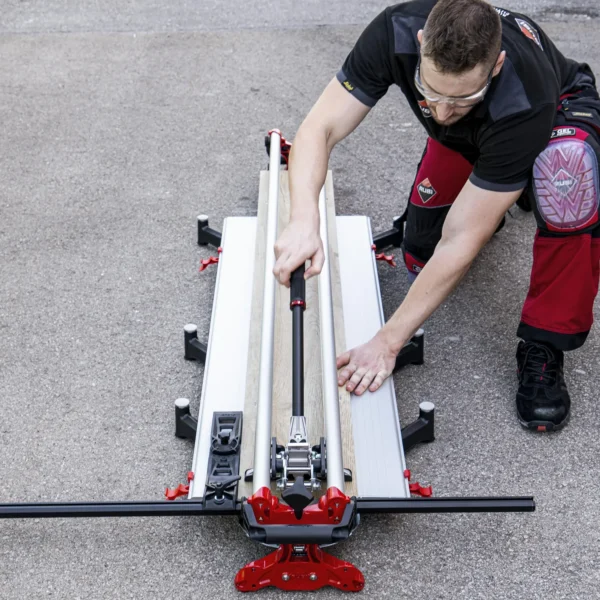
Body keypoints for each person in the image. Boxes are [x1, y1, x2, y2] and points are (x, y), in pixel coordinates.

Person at [272, 0, 600, 432]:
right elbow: (320, 128)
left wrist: (388, 343)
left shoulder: (525, 98)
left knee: (567, 182)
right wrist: (303, 221)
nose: (443, 112)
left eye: (463, 97)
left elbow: (461, 240)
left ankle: (544, 343)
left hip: (555, 115)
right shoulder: (394, 31)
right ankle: (505, 185)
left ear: (496, 65)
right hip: (481, 136)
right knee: (421, 255)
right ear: (421, 44)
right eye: (432, 92)